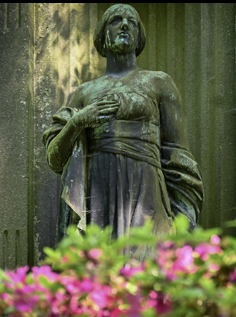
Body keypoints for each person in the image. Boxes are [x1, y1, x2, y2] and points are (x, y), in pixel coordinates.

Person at [42, 4, 203, 260]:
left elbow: (177, 155)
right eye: (116, 20)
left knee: (147, 270)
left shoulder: (159, 82)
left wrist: (184, 215)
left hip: (146, 192)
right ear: (102, 34)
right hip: (99, 192)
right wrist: (77, 122)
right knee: (102, 273)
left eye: (133, 21)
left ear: (139, 36)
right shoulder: (85, 93)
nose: (125, 24)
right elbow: (55, 159)